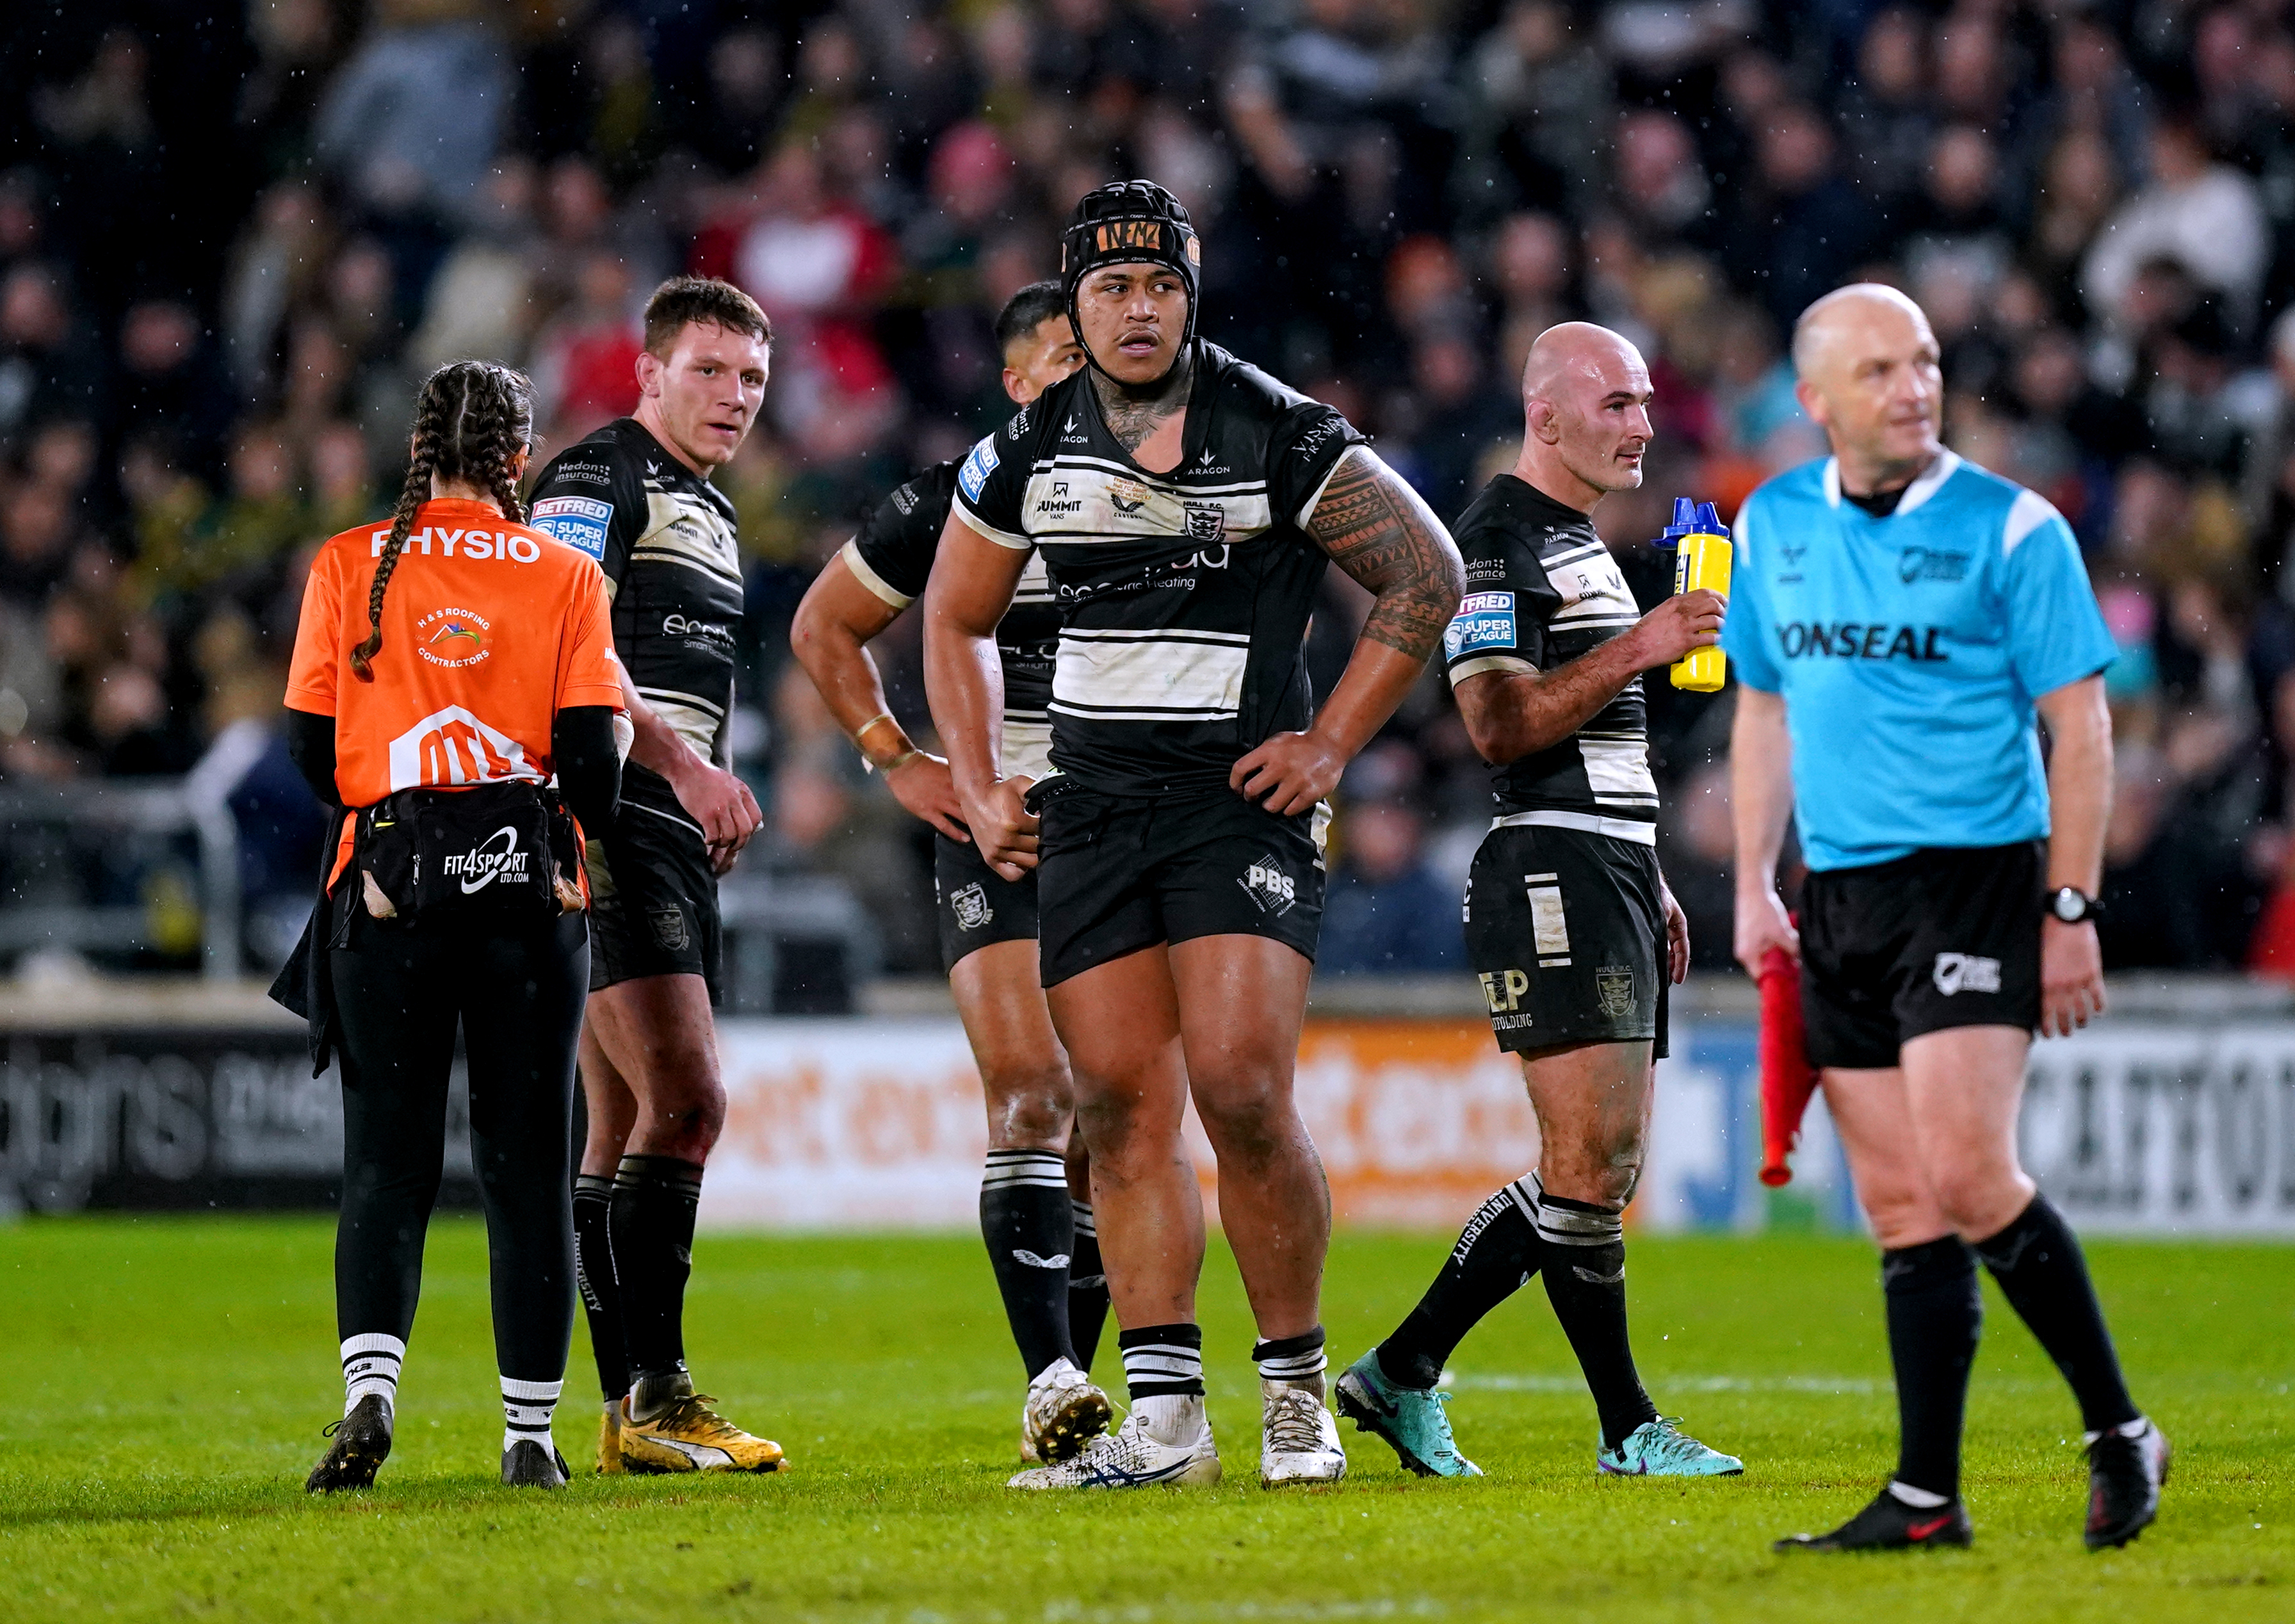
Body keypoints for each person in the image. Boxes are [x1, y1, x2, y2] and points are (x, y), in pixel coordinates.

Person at [923, 180, 1464, 1490]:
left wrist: (1331, 742)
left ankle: (1292, 1393)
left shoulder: (1275, 427)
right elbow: (951, 619)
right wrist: (982, 784)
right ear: (1076, 303)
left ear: (1191, 290)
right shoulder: (1025, 447)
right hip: (1094, 812)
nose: (1138, 306)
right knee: (1114, 1105)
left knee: (1238, 1087)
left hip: (1240, 802)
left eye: (1160, 283)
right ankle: (1165, 1420)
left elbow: (1427, 570)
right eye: (1110, 288)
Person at [1729, 284, 2168, 1554]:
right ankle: (1927, 1496)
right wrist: (1753, 882)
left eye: (1922, 362)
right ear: (1812, 402)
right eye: (1878, 369)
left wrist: (2068, 905)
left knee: (1972, 1174)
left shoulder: (2012, 528)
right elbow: (1761, 711)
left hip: (1977, 874)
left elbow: (2078, 722)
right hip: (1843, 893)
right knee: (1905, 1207)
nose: (1912, 386)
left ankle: (2116, 1427)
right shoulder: (1771, 525)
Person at [1333, 323, 1743, 1482]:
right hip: (1549, 866)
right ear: (1548, 417)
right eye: (1616, 404)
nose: (1643, 426)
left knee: (1599, 1165)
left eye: (1646, 403)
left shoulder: (1586, 546)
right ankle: (1625, 1428)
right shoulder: (1496, 539)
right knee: (1586, 1157)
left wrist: (1651, 865)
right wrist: (1648, 645)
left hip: (1606, 858)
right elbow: (1499, 725)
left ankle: (1401, 1373)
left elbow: (1594, 743)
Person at [279, 361, 624, 1492]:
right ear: (519, 456)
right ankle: (530, 1436)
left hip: (388, 894)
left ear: (420, 446)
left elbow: (308, 758)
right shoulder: (567, 576)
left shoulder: (349, 563)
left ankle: (368, 1400)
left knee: (385, 1164)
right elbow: (590, 764)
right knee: (528, 1173)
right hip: (529, 901)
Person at [790, 281, 1116, 1464]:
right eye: (1062, 358)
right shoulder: (955, 501)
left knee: (1112, 1116)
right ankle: (1053, 1383)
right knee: (1034, 1092)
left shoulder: (1163, 499)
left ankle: (1077, 1413)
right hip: (1001, 827)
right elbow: (824, 628)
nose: (1090, 374)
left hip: (1130, 826)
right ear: (1019, 382)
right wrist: (902, 763)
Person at [524, 277, 779, 1475]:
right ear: (650, 374)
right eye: (712, 372)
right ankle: (657, 1394)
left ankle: (628, 1411)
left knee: (621, 1118)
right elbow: (564, 633)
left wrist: (707, 774)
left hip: (657, 812)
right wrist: (685, 767)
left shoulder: (712, 508)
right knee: (688, 1100)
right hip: (609, 807)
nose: (735, 398)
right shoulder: (594, 475)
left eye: (753, 381)